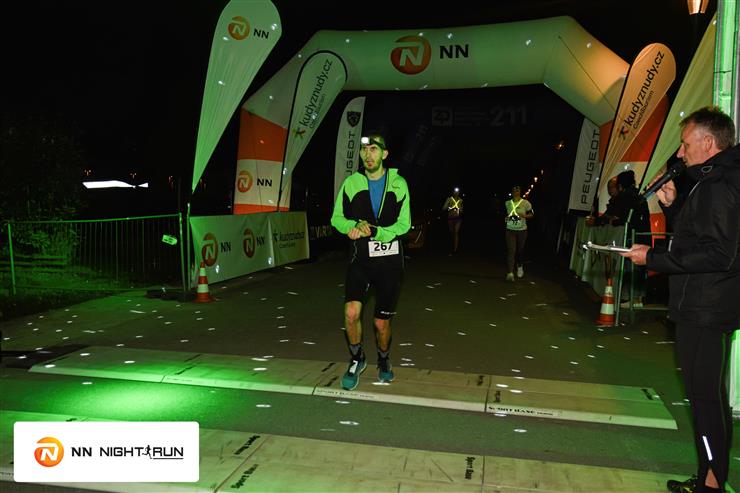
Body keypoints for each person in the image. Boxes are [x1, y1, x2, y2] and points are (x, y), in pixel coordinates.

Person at [621, 106, 740, 493]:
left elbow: (719, 254)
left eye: (686, 144)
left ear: (709, 142)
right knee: (709, 398)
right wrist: (673, 206)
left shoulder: (721, 183)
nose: (680, 152)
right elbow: (699, 239)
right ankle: (709, 476)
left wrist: (652, 258)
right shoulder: (715, 179)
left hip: (706, 306)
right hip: (707, 302)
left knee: (705, 400)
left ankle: (711, 484)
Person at [331, 132, 411, 391]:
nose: (368, 154)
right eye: (365, 150)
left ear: (384, 154)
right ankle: (357, 358)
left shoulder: (399, 184)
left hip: (390, 264)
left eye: (374, 149)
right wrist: (351, 227)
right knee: (351, 313)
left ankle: (384, 359)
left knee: (381, 323)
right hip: (361, 260)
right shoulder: (351, 183)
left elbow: (404, 225)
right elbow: (337, 218)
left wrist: (377, 232)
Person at [504, 185, 533, 281]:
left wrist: (524, 215)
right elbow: (506, 215)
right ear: (512, 192)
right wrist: (507, 218)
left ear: (520, 192)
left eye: (518, 190)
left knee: (520, 251)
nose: (516, 192)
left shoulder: (526, 203)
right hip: (510, 229)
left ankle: (520, 265)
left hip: (522, 231)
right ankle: (510, 273)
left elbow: (532, 214)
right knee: (511, 251)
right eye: (514, 191)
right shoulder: (507, 203)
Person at [442, 187, 463, 254]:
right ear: (453, 192)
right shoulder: (449, 199)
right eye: (455, 191)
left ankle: (455, 249)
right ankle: (451, 246)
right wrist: (449, 207)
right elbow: (443, 208)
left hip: (458, 218)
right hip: (450, 218)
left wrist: (460, 209)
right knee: (451, 232)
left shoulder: (461, 200)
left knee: (456, 232)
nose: (456, 193)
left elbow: (462, 210)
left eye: (457, 191)